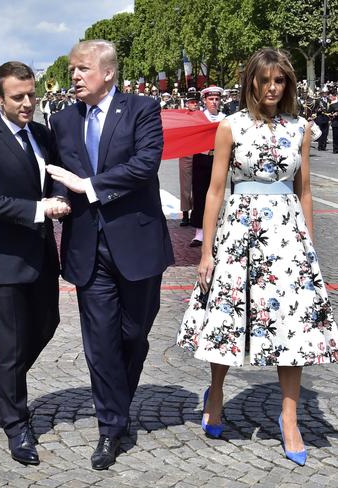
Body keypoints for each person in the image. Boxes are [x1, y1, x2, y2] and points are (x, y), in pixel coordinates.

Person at [177, 48, 338, 467]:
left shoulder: (300, 127)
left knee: (294, 327)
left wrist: (310, 248)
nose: (271, 88)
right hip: (238, 233)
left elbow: (304, 191)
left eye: (279, 81)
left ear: (287, 84)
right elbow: (214, 191)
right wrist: (207, 250)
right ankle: (216, 393)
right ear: (251, 81)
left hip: (287, 238)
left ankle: (289, 419)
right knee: (228, 319)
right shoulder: (230, 126)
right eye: (264, 80)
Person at [46, 40, 174, 470]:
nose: (75, 77)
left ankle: (117, 407)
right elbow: (58, 171)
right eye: (71, 71)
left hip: (137, 244)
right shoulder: (62, 119)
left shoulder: (142, 110)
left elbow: (145, 165)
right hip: (87, 247)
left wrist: (88, 187)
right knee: (99, 344)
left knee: (133, 335)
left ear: (108, 73)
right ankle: (111, 427)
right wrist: (60, 196)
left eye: (82, 69)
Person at [0, 61, 70, 466]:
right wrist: (40, 209)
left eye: (31, 95)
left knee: (47, 324)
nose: (28, 103)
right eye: (18, 97)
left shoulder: (42, 134)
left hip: (42, 253)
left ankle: (2, 382)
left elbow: (57, 173)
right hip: (3, 258)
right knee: (10, 345)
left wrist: (59, 193)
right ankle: (15, 421)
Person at [189, 86, 226, 246]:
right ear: (204, 100)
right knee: (199, 194)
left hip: (218, 160)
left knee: (216, 195)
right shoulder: (198, 118)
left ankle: (214, 230)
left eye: (217, 99)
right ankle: (199, 232)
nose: (214, 102)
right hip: (201, 158)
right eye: (211, 99)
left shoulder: (225, 119)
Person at [178, 91, 201, 226]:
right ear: (187, 103)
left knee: (198, 185)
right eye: (192, 102)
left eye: (196, 102)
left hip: (199, 153)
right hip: (186, 153)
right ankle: (185, 213)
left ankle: (196, 213)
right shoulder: (183, 116)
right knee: (185, 185)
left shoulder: (202, 116)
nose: (194, 104)